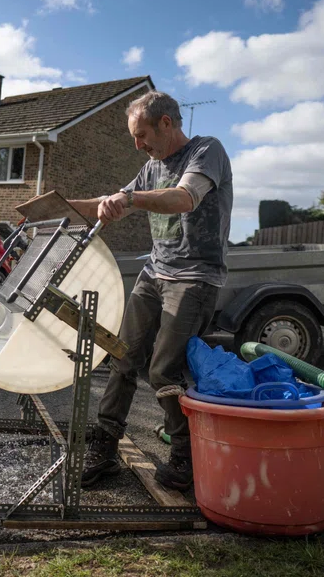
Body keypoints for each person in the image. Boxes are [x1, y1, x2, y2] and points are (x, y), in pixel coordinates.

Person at [66, 90, 233, 491]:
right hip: (154, 272)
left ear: (166, 123)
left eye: (142, 135)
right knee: (121, 357)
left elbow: (185, 198)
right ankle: (104, 448)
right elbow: (113, 202)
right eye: (133, 139)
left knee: (162, 370)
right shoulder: (150, 166)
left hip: (194, 278)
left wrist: (129, 198)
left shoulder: (206, 151)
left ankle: (185, 455)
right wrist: (59, 206)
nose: (138, 145)